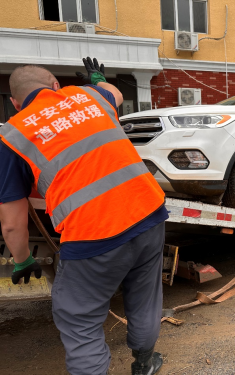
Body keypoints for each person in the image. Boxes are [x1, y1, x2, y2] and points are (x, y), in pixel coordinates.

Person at [0, 58, 168, 375]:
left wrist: (22, 260)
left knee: (78, 315)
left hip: (94, 233)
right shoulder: (88, 96)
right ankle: (145, 362)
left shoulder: (13, 135)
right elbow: (114, 93)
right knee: (145, 295)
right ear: (55, 86)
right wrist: (97, 77)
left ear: (14, 103)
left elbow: (11, 222)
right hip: (149, 212)